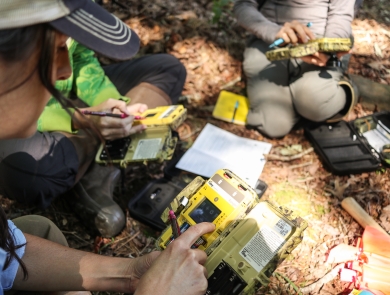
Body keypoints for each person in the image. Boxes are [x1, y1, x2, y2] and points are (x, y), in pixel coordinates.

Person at [0, 0, 214, 294]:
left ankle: (104, 148)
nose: (64, 70)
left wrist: (130, 274)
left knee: (166, 67)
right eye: (54, 50)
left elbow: (7, 258)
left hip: (68, 108)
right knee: (29, 169)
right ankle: (105, 152)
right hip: (59, 117)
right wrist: (78, 118)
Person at [233, 0, 357, 138]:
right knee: (272, 125)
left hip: (319, 41)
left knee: (315, 103)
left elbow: (340, 15)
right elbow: (243, 5)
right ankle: (297, 103)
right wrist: (275, 31)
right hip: (270, 41)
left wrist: (328, 47)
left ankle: (348, 92)